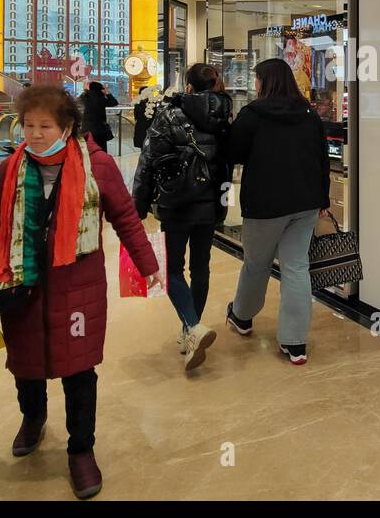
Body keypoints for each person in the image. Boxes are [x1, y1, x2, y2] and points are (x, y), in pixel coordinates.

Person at [0, 85, 158, 500]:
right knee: (26, 366)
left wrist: (148, 266)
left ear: (67, 126)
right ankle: (32, 419)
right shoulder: (10, 170)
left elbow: (125, 218)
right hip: (22, 287)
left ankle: (81, 450)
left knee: (79, 371)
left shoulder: (97, 166)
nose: (34, 134)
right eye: (28, 125)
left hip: (79, 288)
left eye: (45, 126)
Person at [224, 58, 329, 366]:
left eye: (257, 80)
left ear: (265, 82)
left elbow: (234, 152)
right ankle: (295, 342)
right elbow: (322, 159)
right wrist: (322, 198)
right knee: (296, 267)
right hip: (305, 203)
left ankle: (242, 317)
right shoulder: (310, 116)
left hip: (265, 205)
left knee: (256, 264)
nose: (255, 85)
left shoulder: (253, 115)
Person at [132, 64, 232, 369]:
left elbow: (148, 160)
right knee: (201, 267)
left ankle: (192, 326)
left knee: (174, 270)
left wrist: (139, 204)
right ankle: (193, 329)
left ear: (187, 87)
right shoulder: (225, 115)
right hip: (210, 202)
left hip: (176, 203)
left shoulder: (169, 114)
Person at [79, 81, 117, 152]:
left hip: (86, 129)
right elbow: (114, 102)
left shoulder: (85, 97)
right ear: (100, 89)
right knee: (101, 149)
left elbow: (79, 99)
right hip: (100, 130)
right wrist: (107, 93)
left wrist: (86, 89)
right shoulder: (102, 99)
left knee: (89, 150)